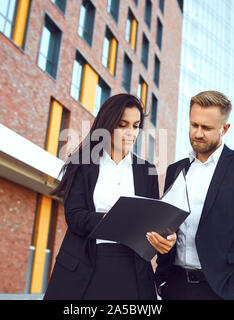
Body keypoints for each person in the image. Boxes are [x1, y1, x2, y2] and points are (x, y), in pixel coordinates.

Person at [43, 93, 176, 300]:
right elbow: (74, 215)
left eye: (135, 126)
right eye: (122, 125)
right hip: (85, 264)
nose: (130, 132)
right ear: (107, 125)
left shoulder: (146, 170)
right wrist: (110, 220)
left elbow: (153, 220)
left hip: (132, 268)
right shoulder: (82, 164)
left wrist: (165, 237)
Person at [155, 90, 234, 300]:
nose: (198, 133)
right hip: (174, 287)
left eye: (207, 128)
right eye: (194, 125)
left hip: (224, 290)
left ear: (225, 128)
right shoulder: (176, 170)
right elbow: (165, 225)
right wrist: (162, 280)